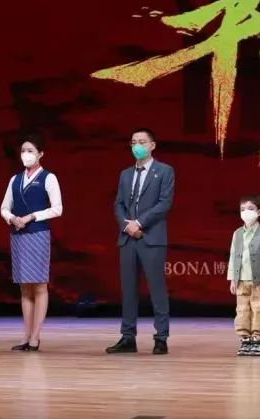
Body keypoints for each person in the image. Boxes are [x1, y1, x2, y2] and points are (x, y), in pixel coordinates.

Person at [106, 128, 174, 355]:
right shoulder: (125, 174)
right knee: (128, 290)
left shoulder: (164, 171)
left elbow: (164, 204)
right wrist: (126, 225)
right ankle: (128, 337)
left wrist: (139, 223)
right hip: (127, 238)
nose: (137, 146)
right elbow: (118, 204)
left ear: (152, 145)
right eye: (134, 142)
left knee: (157, 288)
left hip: (151, 237)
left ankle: (161, 337)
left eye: (142, 142)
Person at [0, 135, 63, 352]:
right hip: (18, 235)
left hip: (37, 234)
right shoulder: (15, 179)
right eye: (23, 151)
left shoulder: (48, 178)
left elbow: (57, 208)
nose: (25, 154)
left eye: (30, 151)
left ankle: (36, 336)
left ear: (40, 154)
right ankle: (26, 336)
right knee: (24, 286)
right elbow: (4, 207)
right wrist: (12, 218)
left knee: (39, 285)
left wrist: (32, 216)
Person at [226, 195, 260, 356]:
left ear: (259, 212)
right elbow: (233, 257)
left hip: (258, 281)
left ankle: (257, 339)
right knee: (242, 310)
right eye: (242, 209)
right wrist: (232, 279)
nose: (246, 212)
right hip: (241, 280)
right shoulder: (237, 234)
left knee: (258, 309)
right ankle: (244, 338)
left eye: (250, 208)